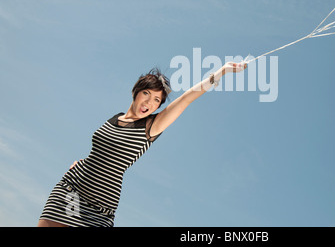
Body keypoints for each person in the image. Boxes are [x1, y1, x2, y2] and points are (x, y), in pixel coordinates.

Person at [37, 61, 247, 227]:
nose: (149, 102)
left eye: (156, 100)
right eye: (146, 94)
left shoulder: (151, 126)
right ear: (135, 92)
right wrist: (80, 163)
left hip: (100, 207)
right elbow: (101, 151)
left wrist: (221, 72)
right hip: (72, 189)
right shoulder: (115, 118)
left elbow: (186, 99)